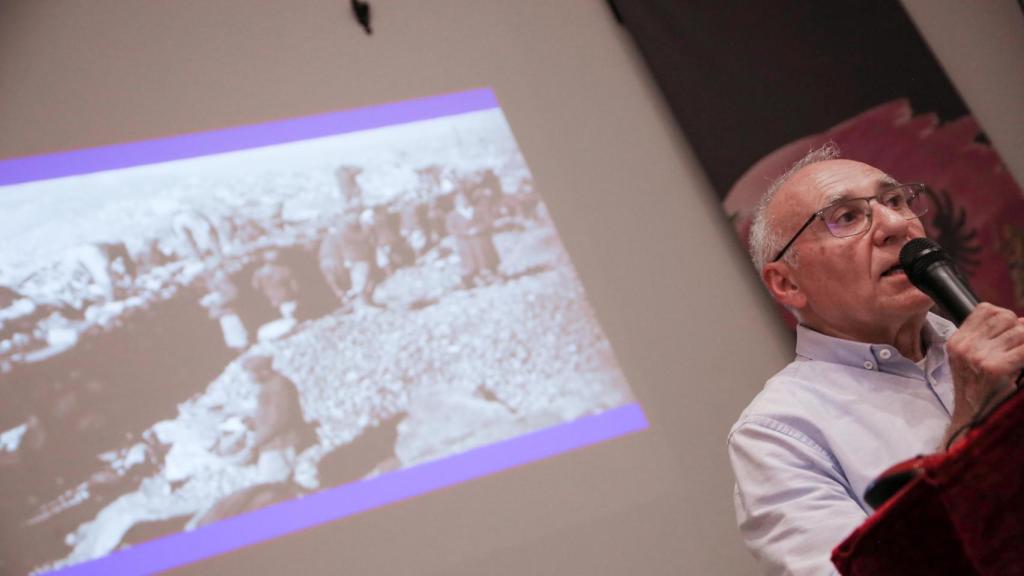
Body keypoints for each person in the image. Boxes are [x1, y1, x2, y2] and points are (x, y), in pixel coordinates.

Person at [729, 143, 1022, 576]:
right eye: (845, 217)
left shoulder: (1001, 347)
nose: (895, 225)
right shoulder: (778, 435)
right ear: (787, 283)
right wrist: (970, 424)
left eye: (896, 201)